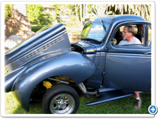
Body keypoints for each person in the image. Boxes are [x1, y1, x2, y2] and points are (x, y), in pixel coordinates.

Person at [118, 25, 142, 109]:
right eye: (123, 31)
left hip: (133, 66)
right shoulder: (122, 42)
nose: (123, 33)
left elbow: (138, 58)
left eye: (125, 32)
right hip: (123, 65)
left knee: (133, 79)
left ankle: (138, 99)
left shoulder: (137, 42)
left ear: (131, 33)